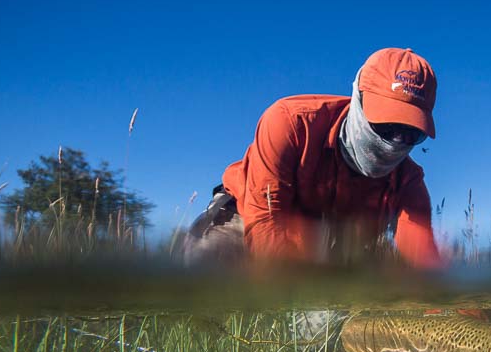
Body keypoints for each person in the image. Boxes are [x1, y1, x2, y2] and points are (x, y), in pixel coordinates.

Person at [184, 47, 443, 269]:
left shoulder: (408, 181)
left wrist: (462, 312)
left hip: (326, 245)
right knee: (204, 270)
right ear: (358, 100)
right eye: (386, 126)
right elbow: (265, 222)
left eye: (410, 133)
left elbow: (426, 265)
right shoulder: (289, 123)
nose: (394, 142)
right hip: (246, 215)